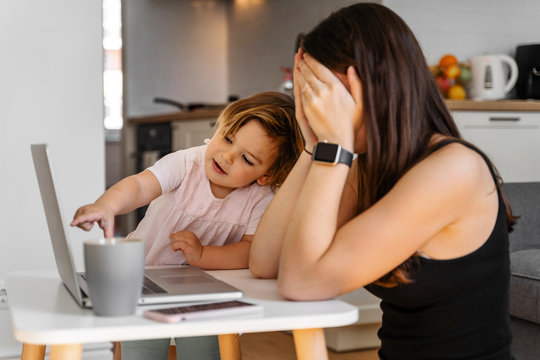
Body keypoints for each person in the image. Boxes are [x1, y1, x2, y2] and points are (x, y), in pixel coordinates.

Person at [249, 3, 516, 359]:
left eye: (324, 93)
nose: (316, 107)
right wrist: (313, 147)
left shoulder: (454, 170)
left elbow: (302, 282)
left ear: (369, 84)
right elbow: (266, 263)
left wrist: (335, 147)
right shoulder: (370, 167)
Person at [71, 91, 303, 360]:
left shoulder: (261, 199)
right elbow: (140, 185)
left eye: (246, 159)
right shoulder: (186, 163)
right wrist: (106, 206)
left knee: (204, 351)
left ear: (267, 175)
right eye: (227, 139)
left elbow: (251, 250)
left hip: (209, 290)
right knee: (142, 352)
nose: (227, 156)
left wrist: (204, 255)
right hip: (148, 278)